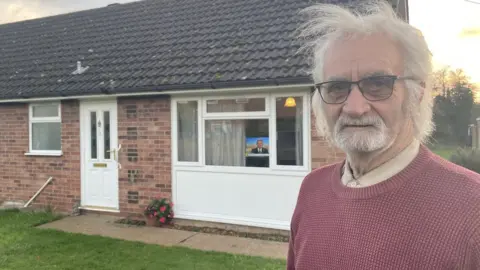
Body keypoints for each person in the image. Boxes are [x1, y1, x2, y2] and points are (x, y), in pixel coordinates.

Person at [288, 1, 480, 269]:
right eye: (337, 88)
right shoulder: (312, 190)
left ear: (417, 93)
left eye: (378, 84)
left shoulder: (473, 206)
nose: (354, 108)